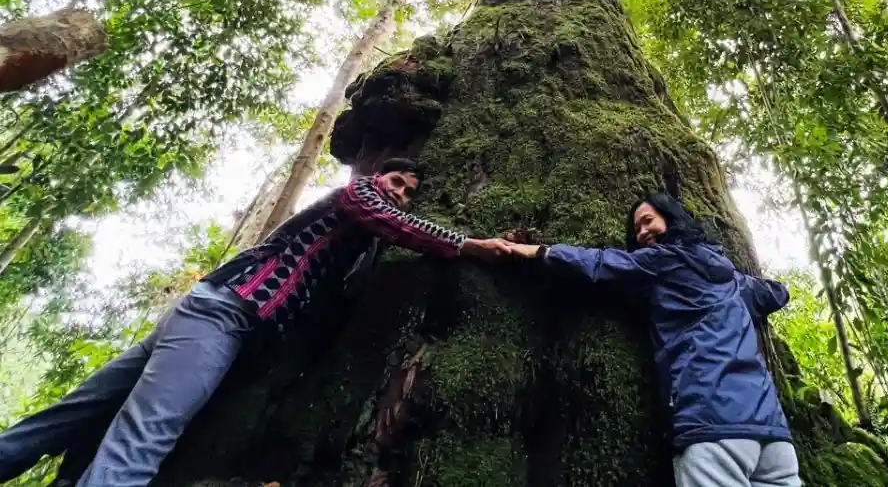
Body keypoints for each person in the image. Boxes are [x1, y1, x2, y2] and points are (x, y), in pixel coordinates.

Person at [0, 158, 510, 487]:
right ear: (373, 178)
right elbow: (388, 221)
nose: (399, 194)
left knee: (70, 417)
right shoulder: (355, 198)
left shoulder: (361, 238)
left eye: (406, 192)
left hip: (208, 314)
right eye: (395, 182)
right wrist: (465, 243)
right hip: (225, 311)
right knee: (144, 436)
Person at [503, 192, 801, 487]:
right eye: (637, 229)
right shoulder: (732, 281)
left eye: (648, 221)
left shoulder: (664, 261)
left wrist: (538, 251)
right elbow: (776, 294)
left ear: (671, 220)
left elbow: (599, 263)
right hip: (773, 436)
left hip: (712, 424)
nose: (642, 232)